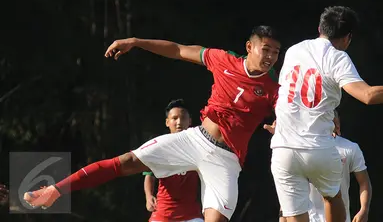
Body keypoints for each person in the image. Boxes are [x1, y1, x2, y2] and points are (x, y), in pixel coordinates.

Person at [23, 25, 281, 222]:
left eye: (276, 52)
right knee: (125, 162)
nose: (270, 57)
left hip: (226, 159)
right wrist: (135, 42)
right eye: (265, 49)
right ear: (249, 46)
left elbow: (287, 116)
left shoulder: (273, 89)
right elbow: (178, 49)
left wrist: (280, 126)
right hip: (196, 139)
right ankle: (55, 191)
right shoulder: (223, 59)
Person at [270, 6, 383, 222]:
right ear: (348, 38)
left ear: (320, 28)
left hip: (283, 148)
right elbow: (368, 95)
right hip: (318, 148)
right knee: (332, 197)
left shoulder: (294, 50)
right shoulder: (337, 57)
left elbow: (286, 92)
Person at [266, 111, 372, 222]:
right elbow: (290, 186)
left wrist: (364, 210)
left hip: (338, 217)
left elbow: (364, 182)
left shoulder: (350, 148)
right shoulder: (298, 149)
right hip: (307, 217)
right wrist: (283, 216)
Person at [143, 99, 203, 222]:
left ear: (190, 121)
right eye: (174, 118)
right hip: (163, 213)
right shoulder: (159, 147)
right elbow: (149, 175)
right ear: (167, 122)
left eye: (183, 118)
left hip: (191, 214)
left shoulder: (200, 147)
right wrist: (149, 197)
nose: (179, 122)